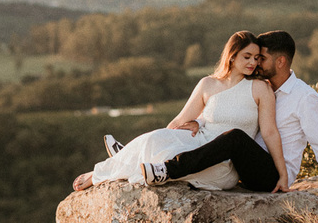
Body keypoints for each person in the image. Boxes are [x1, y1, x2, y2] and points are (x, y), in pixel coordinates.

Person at [141, 30, 318, 193]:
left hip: (271, 175)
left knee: (236, 137)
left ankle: (169, 170)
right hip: (243, 166)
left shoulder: (304, 97)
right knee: (222, 136)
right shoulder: (265, 89)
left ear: (280, 61)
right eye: (253, 58)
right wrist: (200, 122)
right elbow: (234, 113)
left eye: (262, 58)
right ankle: (145, 155)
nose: (256, 63)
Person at [71, 31, 288, 192]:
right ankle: (125, 157)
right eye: (247, 56)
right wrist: (167, 136)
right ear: (232, 56)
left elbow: (269, 132)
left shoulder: (260, 88)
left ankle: (159, 168)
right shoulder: (208, 84)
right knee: (156, 140)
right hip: (198, 146)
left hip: (225, 163)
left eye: (257, 58)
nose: (253, 62)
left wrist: (283, 174)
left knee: (233, 136)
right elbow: (179, 120)